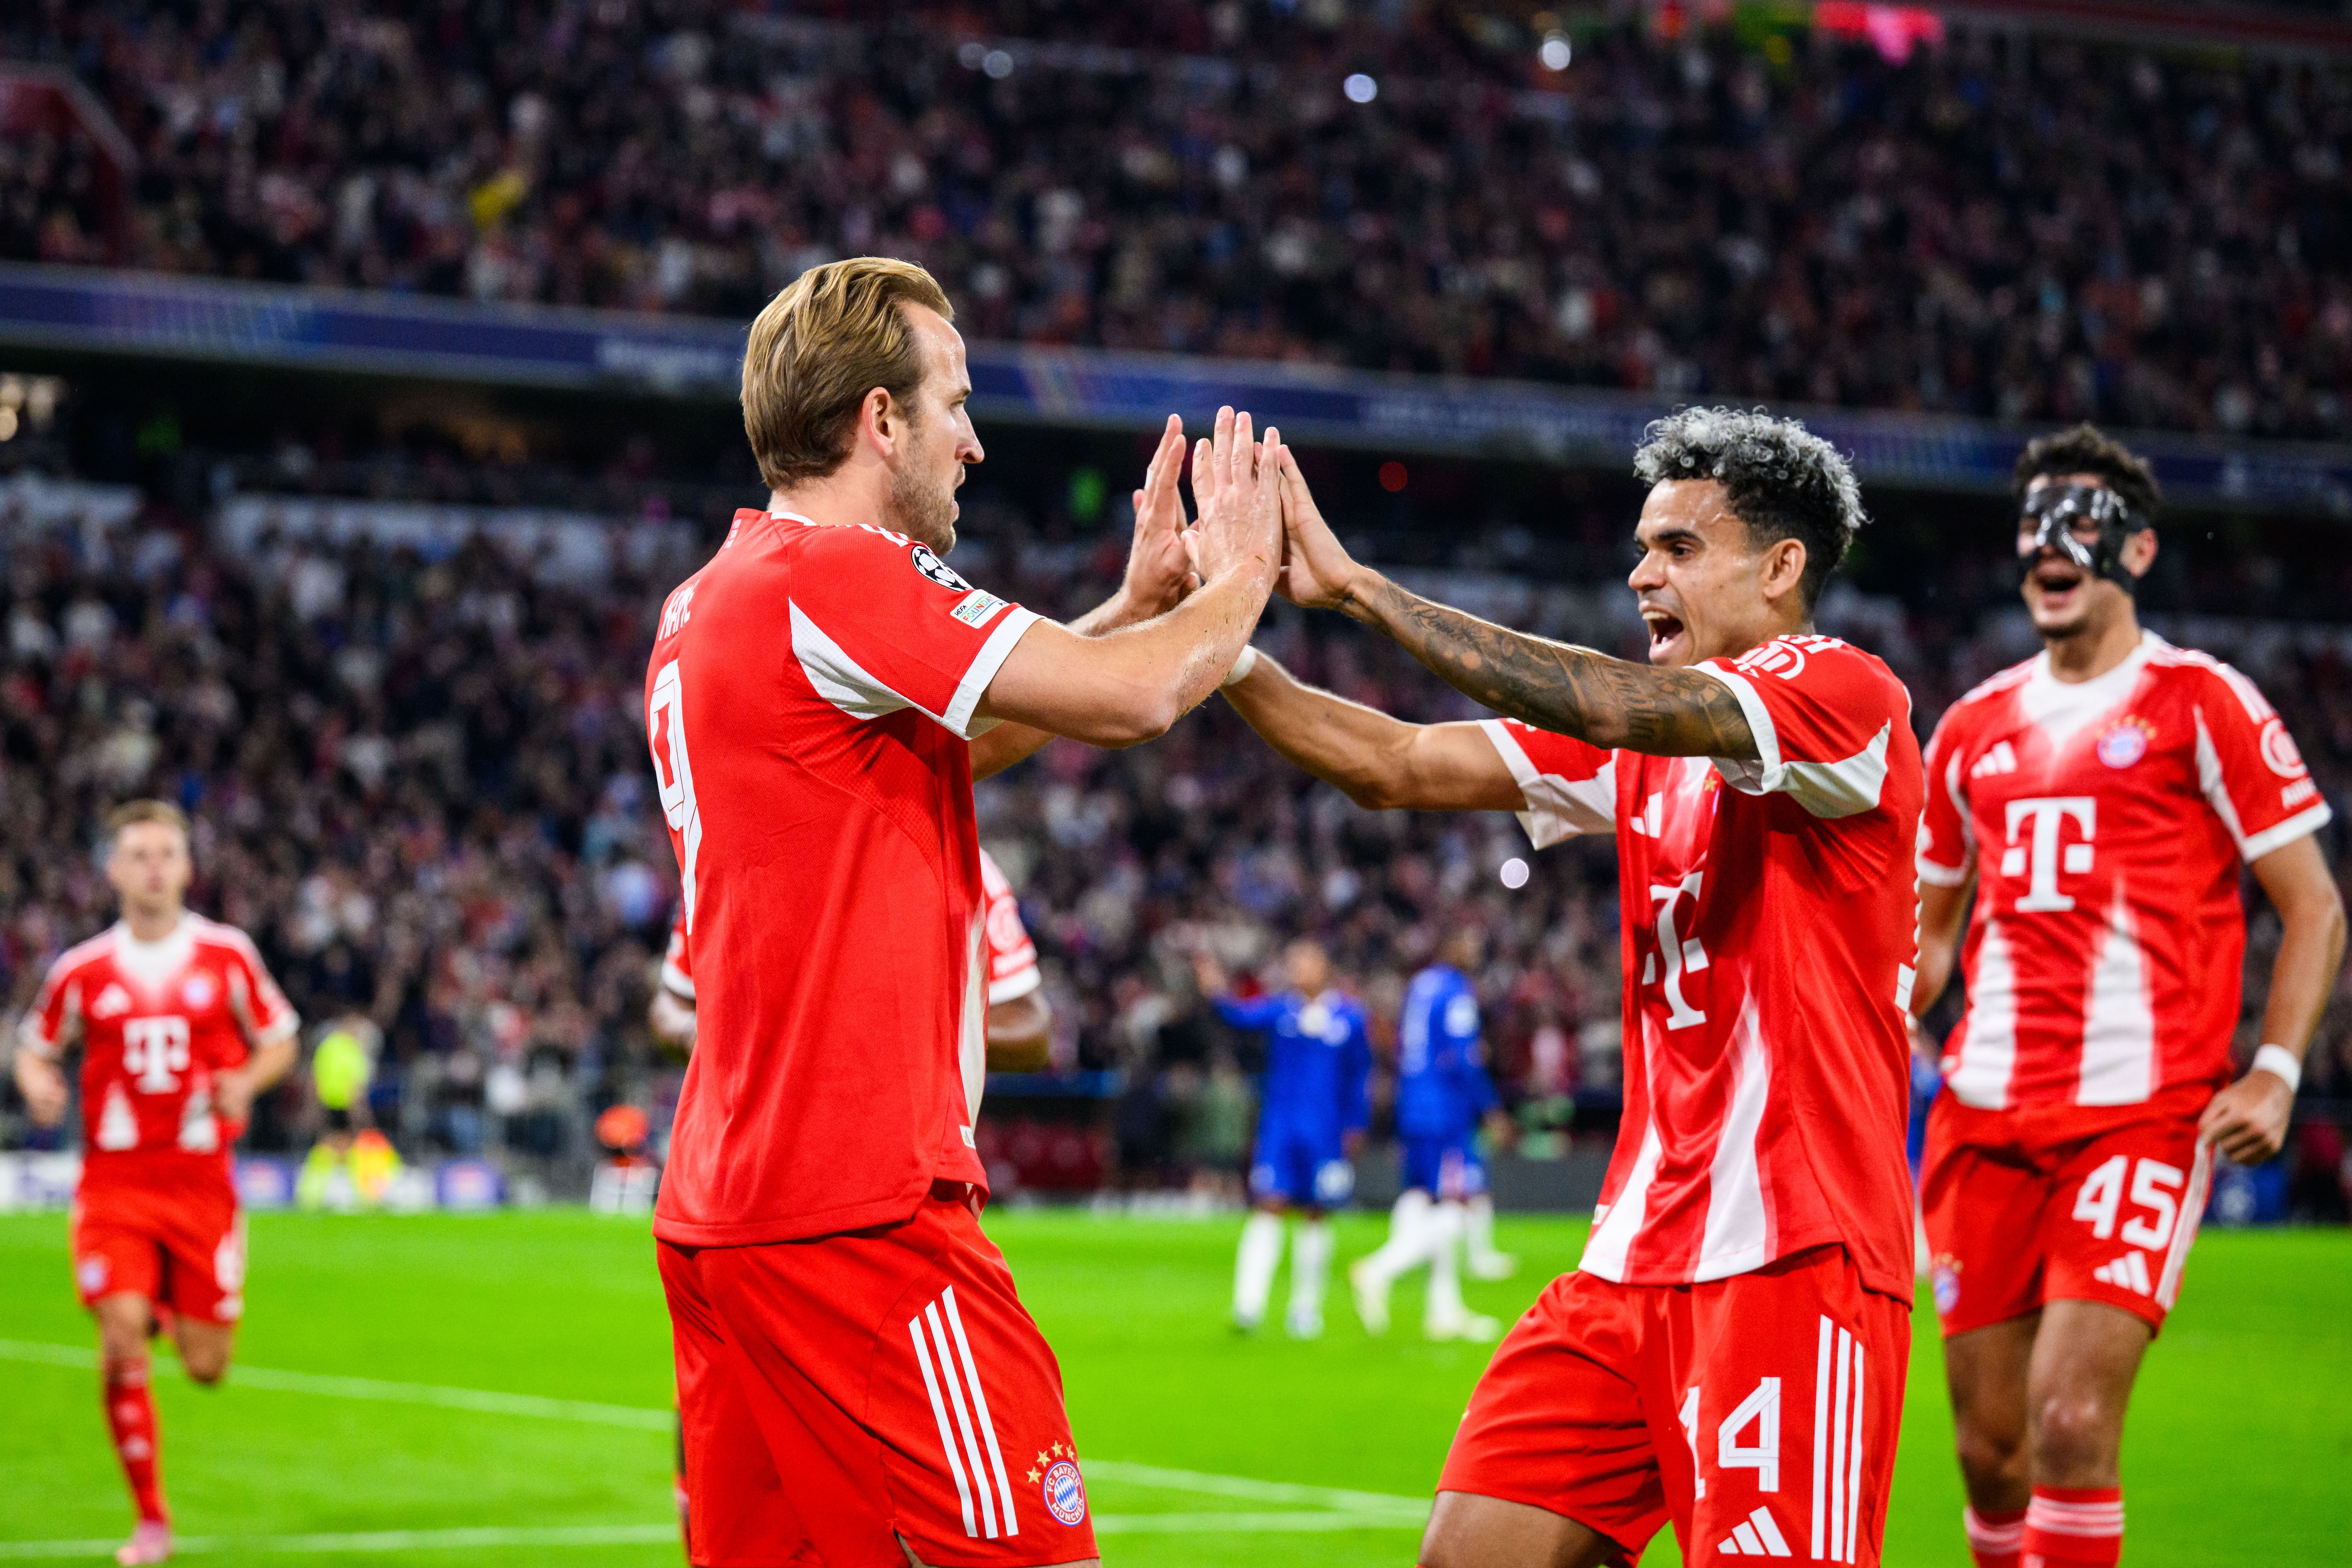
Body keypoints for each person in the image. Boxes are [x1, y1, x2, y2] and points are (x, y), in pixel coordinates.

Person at [642, 256, 1282, 1568]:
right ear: (879, 421)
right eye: (955, 404)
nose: (975, 442)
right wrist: (1246, 570)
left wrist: (1129, 604)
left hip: (726, 1213)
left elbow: (941, 744)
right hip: (863, 1211)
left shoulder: (711, 595)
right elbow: (1134, 699)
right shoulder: (845, 571)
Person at [1221, 407, 1921, 1566]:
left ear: (1782, 566)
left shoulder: (1840, 695)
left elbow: (1605, 701)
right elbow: (1390, 764)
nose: (1642, 571)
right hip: (1629, 1261)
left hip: (1793, 1256)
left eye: (1681, 548)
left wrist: (1357, 589)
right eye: (1642, 546)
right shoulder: (1650, 739)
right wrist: (1216, 639)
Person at [1908, 425, 2346, 1568]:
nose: (2049, 546)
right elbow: (1929, 945)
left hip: (2138, 1118)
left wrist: (2274, 1067)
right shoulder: (1969, 728)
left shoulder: (2204, 702)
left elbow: (2315, 904)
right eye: (2032, 525)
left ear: (2138, 552)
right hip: (1980, 1123)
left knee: (2068, 1419)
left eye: (2081, 523)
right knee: (1989, 1451)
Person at [10, 800, 300, 1567]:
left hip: (202, 1183)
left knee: (206, 1367)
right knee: (117, 1338)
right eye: (137, 853)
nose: (152, 866)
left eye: (165, 852)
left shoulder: (226, 953)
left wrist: (245, 1079)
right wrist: (39, 1083)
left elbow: (280, 1033)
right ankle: (152, 1520)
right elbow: (34, 1044)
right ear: (111, 869)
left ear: (186, 865)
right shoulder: (82, 969)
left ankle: (167, 1305)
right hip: (115, 1181)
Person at [1192, 936, 1371, 1338]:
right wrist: (1216, 989)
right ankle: (1248, 1308)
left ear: (1325, 968)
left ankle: (1305, 1311)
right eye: (1293, 963)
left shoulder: (1349, 1018)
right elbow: (1237, 1018)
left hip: (1326, 1134)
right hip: (1281, 1129)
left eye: (1306, 962)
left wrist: (1355, 1126)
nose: (1298, 970)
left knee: (1316, 1214)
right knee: (1268, 1206)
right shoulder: (1281, 1012)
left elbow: (1359, 1076)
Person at [1349, 925, 1512, 1343]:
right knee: (1456, 1206)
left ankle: (1444, 1311)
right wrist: (1490, 1106)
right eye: (1468, 942)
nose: (1475, 950)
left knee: (1423, 1198)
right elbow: (1463, 1057)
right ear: (1450, 946)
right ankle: (1379, 1270)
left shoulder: (1419, 986)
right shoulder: (1455, 990)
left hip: (1414, 1104)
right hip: (1445, 1112)